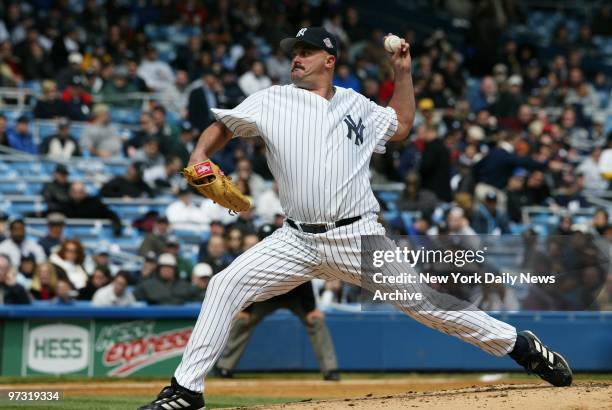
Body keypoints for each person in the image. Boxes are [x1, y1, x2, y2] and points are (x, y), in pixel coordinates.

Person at [138, 28, 571, 410]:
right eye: (294, 50)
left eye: (306, 51)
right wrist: (199, 155)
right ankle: (186, 389)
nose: (296, 57)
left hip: (358, 237)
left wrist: (403, 73)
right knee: (225, 285)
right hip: (296, 240)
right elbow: (225, 126)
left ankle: (519, 344)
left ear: (329, 60)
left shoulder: (357, 104)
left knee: (426, 306)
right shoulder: (271, 99)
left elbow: (401, 125)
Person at [216, 281, 340, 381]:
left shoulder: (295, 255)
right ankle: (225, 367)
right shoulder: (264, 255)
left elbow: (305, 278)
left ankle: (330, 369)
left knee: (315, 320)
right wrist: (246, 309)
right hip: (266, 296)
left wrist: (310, 309)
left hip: (295, 295)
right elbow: (252, 281)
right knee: (243, 321)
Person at [133, 253, 202, 305]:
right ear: (159, 269)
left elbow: (199, 299)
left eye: (170, 268)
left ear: (175, 270)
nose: (166, 270)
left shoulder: (185, 285)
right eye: (164, 267)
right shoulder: (147, 285)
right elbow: (132, 300)